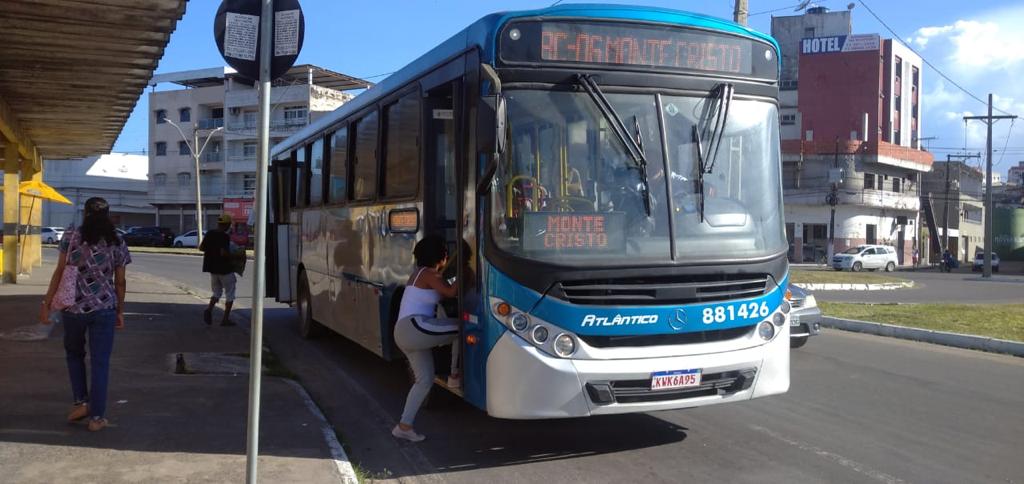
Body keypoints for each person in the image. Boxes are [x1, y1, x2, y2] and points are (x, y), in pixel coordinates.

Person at [40, 197, 131, 432]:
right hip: (104, 309)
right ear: (108, 214)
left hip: (73, 309)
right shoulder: (117, 241)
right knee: (100, 363)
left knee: (74, 355)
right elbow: (120, 282)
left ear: (86, 214)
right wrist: (120, 310)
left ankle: (81, 402)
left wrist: (47, 302)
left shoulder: (71, 237)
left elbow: (60, 271)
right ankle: (97, 418)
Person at [391, 235, 459, 443]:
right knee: (463, 327)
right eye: (445, 252)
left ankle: (404, 426)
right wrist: (464, 273)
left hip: (405, 332)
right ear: (438, 256)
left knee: (425, 380)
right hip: (414, 327)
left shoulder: (421, 273)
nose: (447, 256)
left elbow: (443, 287)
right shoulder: (428, 274)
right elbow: (449, 292)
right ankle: (455, 375)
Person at [200, 214, 236, 326]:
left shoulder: (210, 233)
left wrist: (212, 250)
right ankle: (225, 319)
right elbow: (223, 253)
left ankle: (209, 310)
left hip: (213, 270)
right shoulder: (224, 236)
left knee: (216, 292)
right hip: (225, 270)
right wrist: (233, 256)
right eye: (229, 225)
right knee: (230, 294)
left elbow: (201, 248)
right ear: (226, 225)